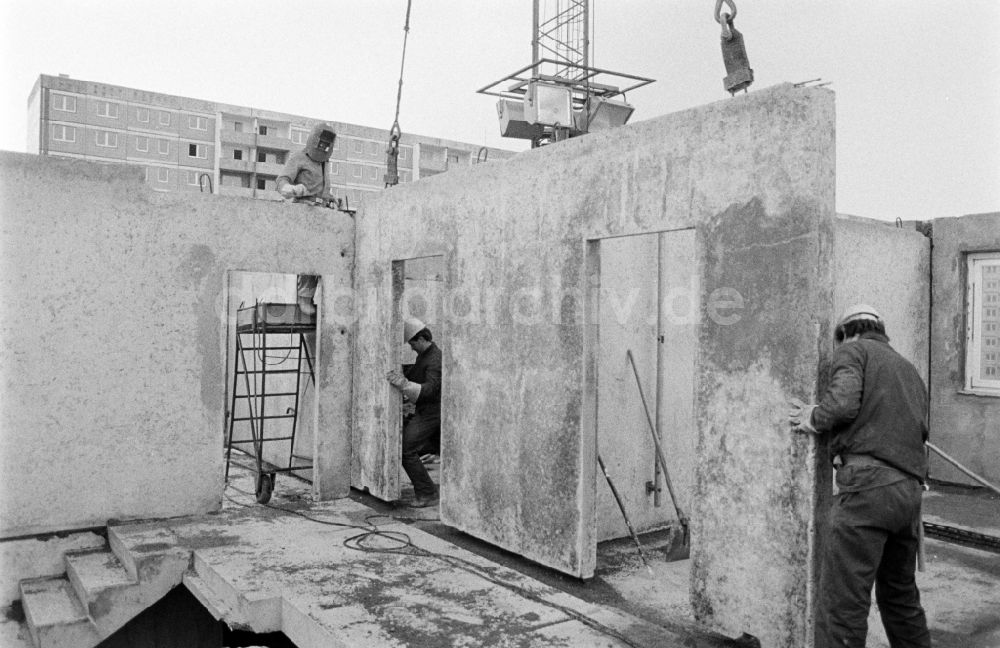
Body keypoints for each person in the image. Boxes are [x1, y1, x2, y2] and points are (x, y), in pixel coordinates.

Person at [789, 304, 931, 648]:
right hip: (909, 495)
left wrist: (814, 416)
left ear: (845, 333)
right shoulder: (908, 369)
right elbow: (921, 430)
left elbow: (842, 404)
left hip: (868, 491)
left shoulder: (852, 350)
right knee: (900, 596)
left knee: (843, 603)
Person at [276, 122, 336, 315]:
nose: (322, 148)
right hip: (304, 212)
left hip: (322, 215)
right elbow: (281, 181)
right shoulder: (299, 158)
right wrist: (291, 189)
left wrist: (332, 199)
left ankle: (316, 296)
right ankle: (304, 297)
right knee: (310, 256)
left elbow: (323, 190)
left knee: (323, 257)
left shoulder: (325, 164)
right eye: (320, 143)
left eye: (326, 145)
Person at [386, 317, 442, 508]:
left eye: (412, 344)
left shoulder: (435, 360)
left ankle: (427, 493)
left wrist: (404, 384)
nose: (411, 348)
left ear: (420, 339)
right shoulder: (426, 355)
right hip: (426, 411)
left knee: (405, 449)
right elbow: (417, 372)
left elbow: (431, 389)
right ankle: (428, 489)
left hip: (432, 412)